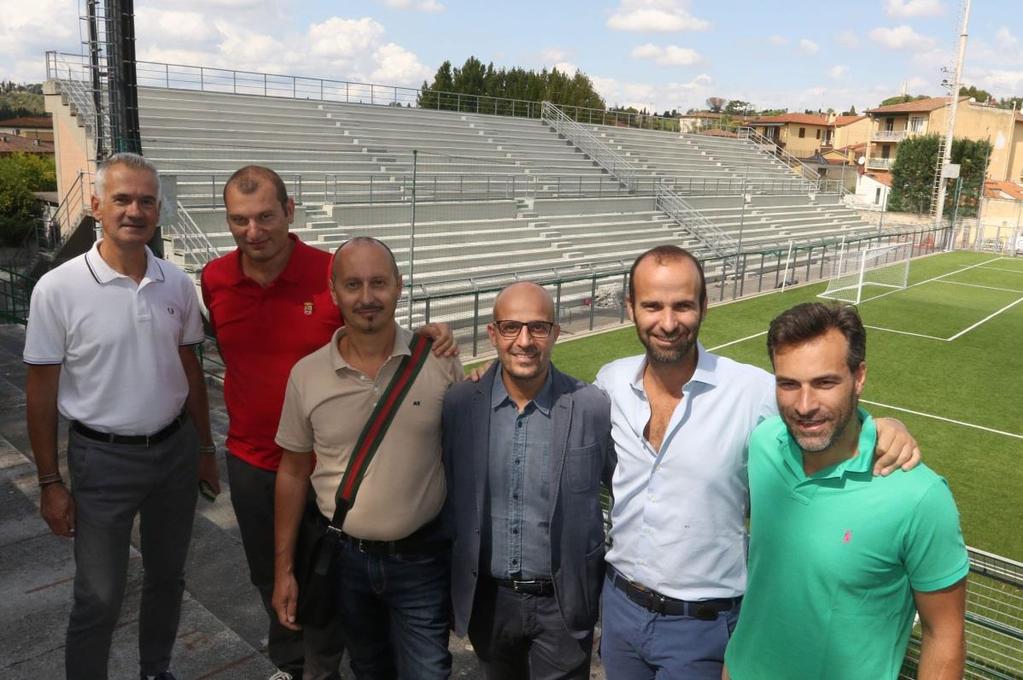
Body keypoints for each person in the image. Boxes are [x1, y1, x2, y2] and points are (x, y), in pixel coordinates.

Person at [593, 245, 921, 680]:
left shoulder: (752, 392)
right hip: (619, 611)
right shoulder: (610, 381)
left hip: (703, 626)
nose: (668, 322)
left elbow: (820, 419)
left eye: (683, 306)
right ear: (631, 307)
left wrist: (881, 424)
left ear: (704, 307)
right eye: (652, 306)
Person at [201, 166, 456, 680]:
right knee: (277, 580)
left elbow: (374, 324)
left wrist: (432, 336)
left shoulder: (327, 270)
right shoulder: (213, 279)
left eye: (266, 216)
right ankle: (301, 668)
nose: (255, 231)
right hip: (255, 459)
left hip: (331, 467)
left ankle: (326, 664)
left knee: (336, 587)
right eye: (240, 220)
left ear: (289, 212)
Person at [23, 152, 219, 680]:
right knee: (98, 597)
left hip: (174, 454)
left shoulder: (176, 283)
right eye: (122, 198)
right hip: (101, 461)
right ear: (95, 206)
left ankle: (156, 670)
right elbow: (40, 391)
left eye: (146, 200)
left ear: (159, 210)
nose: (135, 210)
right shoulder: (58, 289)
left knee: (167, 577)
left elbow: (190, 370)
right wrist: (49, 482)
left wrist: (204, 450)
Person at [724, 302, 968, 679]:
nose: (804, 405)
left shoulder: (920, 496)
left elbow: (945, 636)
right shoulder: (763, 444)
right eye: (788, 384)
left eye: (824, 383)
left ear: (859, 377)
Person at [272, 237, 463, 680]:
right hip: (346, 560)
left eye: (378, 282)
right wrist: (284, 571)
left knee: (429, 672)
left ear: (398, 286)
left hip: (422, 558)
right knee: (368, 669)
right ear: (333, 291)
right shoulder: (307, 375)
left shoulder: (438, 361)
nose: (367, 297)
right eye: (353, 284)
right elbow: (293, 471)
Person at [443, 282, 613, 680]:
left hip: (564, 605)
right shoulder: (459, 404)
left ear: (555, 332)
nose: (524, 341)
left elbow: (628, 489)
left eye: (538, 327)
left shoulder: (592, 405)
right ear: (492, 333)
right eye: (511, 327)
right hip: (490, 601)